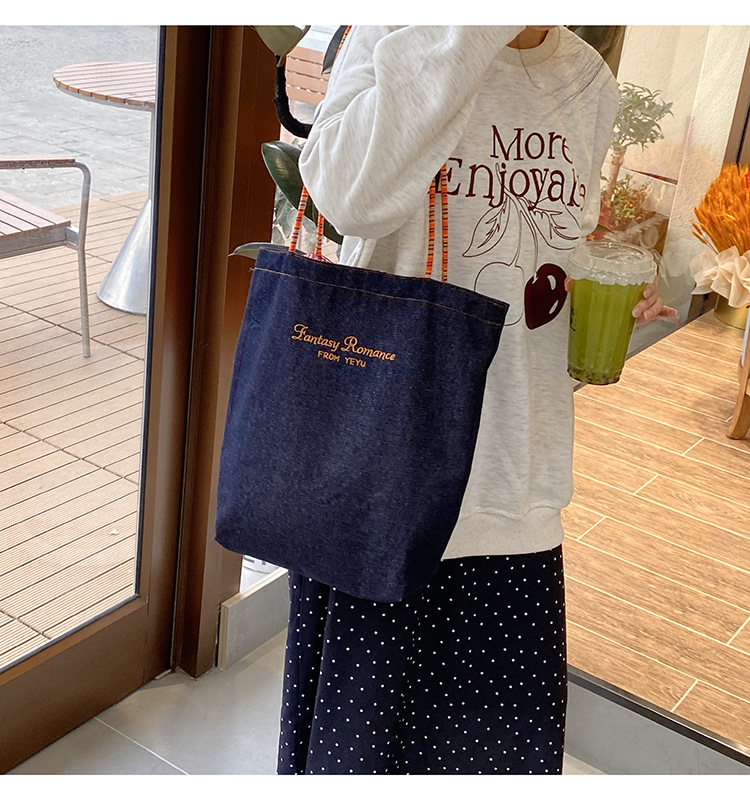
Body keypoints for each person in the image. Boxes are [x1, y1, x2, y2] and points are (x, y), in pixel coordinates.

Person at [277, 25, 676, 776]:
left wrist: (598, 295)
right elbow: (346, 197)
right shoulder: (397, 32)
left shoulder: (586, 78)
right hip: (383, 484)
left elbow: (543, 261)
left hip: (514, 484)